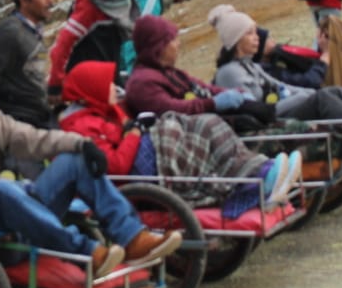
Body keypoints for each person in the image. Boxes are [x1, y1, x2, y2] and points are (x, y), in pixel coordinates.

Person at [0, 50, 182, 275]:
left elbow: (29, 139)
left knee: (74, 160)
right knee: (4, 190)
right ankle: (87, 254)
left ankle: (132, 238)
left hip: (17, 213)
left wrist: (80, 143)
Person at [61, 56, 297, 217]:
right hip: (142, 172)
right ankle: (255, 181)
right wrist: (133, 132)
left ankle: (261, 172)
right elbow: (116, 166)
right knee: (190, 139)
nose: (114, 87)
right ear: (92, 90)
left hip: (149, 153)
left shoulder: (104, 108)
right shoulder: (81, 127)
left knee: (209, 124)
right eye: (107, 84)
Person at [210, 6, 342, 168]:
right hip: (269, 123)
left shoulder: (250, 66)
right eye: (249, 34)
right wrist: (305, 97)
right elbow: (257, 110)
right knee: (321, 99)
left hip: (278, 112)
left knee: (333, 92)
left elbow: (280, 85)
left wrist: (309, 93)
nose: (257, 38)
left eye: (255, 32)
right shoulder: (229, 73)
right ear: (236, 40)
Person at [0, 0, 64, 129]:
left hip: (38, 117)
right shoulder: (9, 32)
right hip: (21, 123)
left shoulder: (32, 31)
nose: (51, 1)